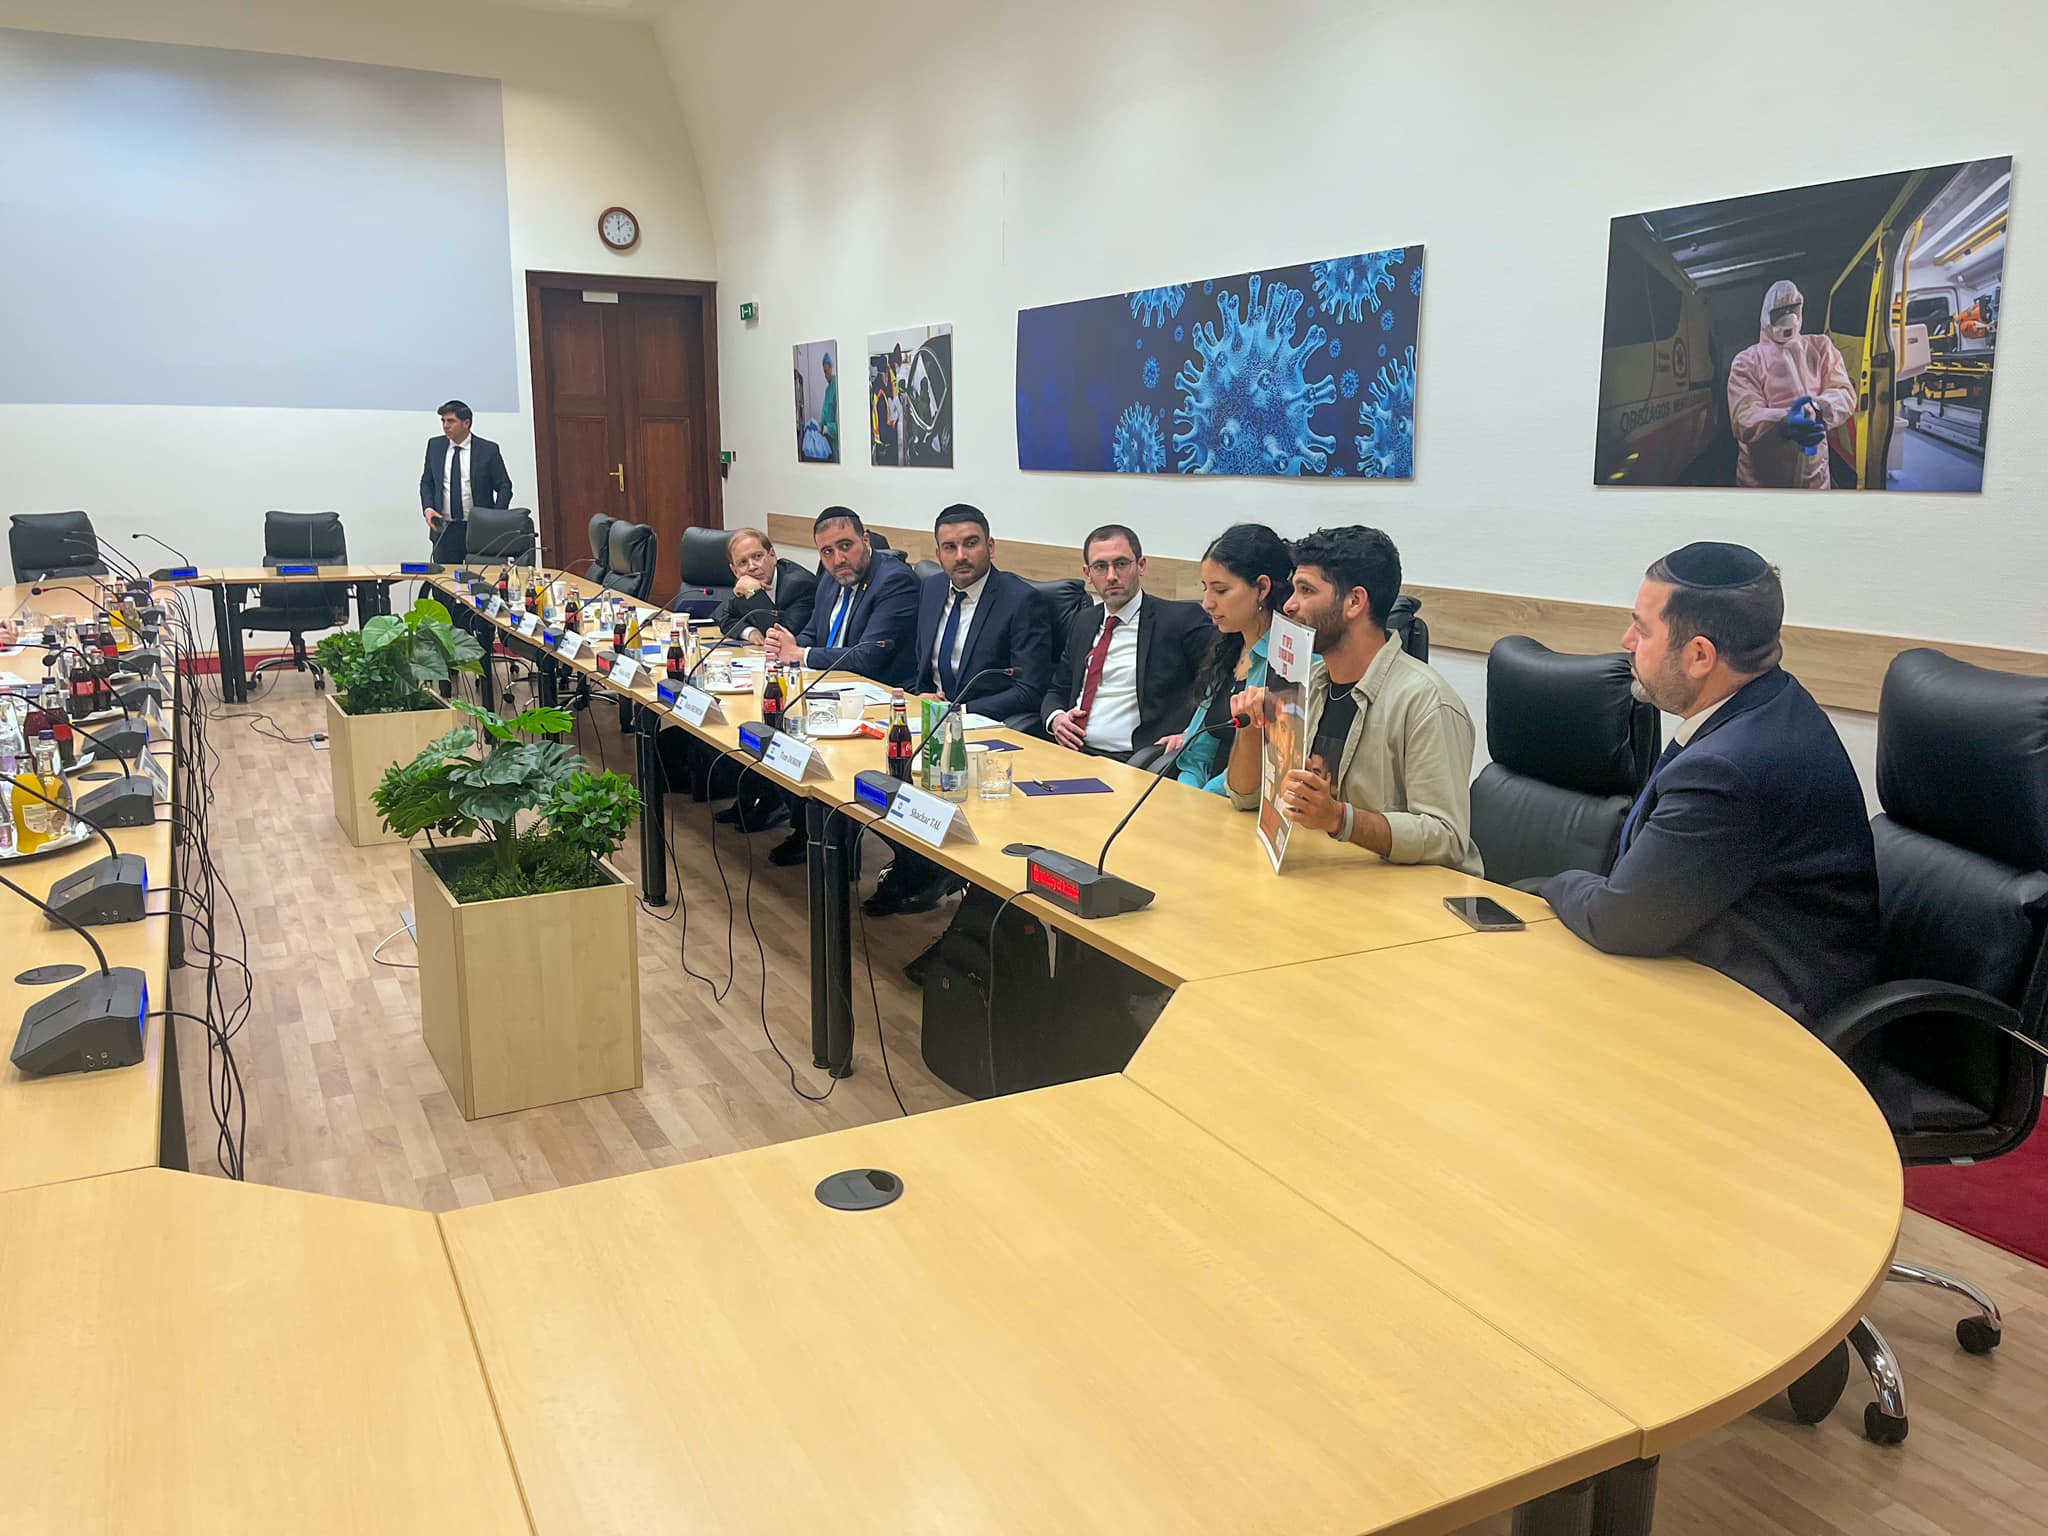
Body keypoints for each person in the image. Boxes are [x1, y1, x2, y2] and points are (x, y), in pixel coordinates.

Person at [1531, 542, 1878, 1025]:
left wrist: (1549, 884)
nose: (1627, 640)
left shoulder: (1729, 770)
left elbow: (1620, 921)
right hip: (1711, 968)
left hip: (1764, 1018)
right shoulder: (1770, 702)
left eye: (1642, 629)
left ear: (1699, 655)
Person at [1226, 526, 1480, 875]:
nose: (1289, 605)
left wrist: (1339, 818)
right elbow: (1245, 798)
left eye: (1306, 590)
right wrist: (1251, 730)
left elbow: (1447, 838)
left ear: (1355, 602)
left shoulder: (1427, 702)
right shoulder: (1306, 684)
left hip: (1402, 894)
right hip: (1327, 876)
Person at [865, 504, 1054, 917]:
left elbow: (1029, 690)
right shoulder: (932, 588)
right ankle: (919, 865)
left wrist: (957, 710)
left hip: (984, 729)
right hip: (929, 719)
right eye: (949, 547)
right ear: (938, 552)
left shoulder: (1021, 600)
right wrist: (916, 700)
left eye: (971, 544)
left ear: (991, 546)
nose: (961, 556)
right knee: (867, 775)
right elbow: (923, 667)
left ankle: (927, 872)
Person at [755, 508, 920, 866]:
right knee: (772, 727)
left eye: (846, 546)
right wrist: (786, 645)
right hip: (832, 694)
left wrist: (800, 653)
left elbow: (868, 657)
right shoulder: (831, 579)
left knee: (800, 739)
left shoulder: (895, 581)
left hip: (881, 699)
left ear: (866, 539)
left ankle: (844, 848)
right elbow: (813, 633)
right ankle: (809, 830)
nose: (837, 559)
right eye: (827, 552)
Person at [1041, 524, 1212, 763]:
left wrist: (1190, 733)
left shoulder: (1179, 621)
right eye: (1100, 567)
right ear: (1087, 573)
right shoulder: (1083, 621)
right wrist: (1056, 718)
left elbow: (1220, 684)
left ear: (1141, 565)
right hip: (1072, 752)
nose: (1111, 576)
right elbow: (1057, 689)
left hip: (1133, 760)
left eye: (1121, 564)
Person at [1168, 524, 1292, 796]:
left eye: (1221, 590)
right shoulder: (1227, 649)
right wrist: (1186, 797)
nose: (1207, 603)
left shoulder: (1290, 665)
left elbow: (1267, 768)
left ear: (1262, 588)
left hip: (1244, 804)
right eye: (1205, 589)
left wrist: (1203, 800)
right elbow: (1196, 756)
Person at [1726, 280, 1857, 490]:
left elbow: (1843, 392)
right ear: (1766, 316)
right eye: (1779, 312)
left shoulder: (1820, 347)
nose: (1788, 317)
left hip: (1815, 477)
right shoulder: (1747, 361)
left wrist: (1818, 408)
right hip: (1763, 484)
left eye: (1793, 309)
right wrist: (1784, 422)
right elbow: (1744, 417)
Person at [419, 400, 512, 563]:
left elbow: (504, 486)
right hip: (445, 528)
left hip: (478, 528)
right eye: (443, 421)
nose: (445, 426)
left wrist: (495, 518)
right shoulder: (435, 446)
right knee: (444, 576)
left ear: (466, 423)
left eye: (451, 421)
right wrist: (428, 508)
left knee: (480, 575)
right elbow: (427, 482)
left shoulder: (487, 450)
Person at [702, 527, 817, 642]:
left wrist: (754, 593)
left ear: (772, 556)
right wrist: (749, 632)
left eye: (757, 556)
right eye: (743, 562)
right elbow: (724, 617)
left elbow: (782, 635)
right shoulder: (745, 583)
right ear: (735, 571)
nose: (752, 567)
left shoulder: (800, 585)